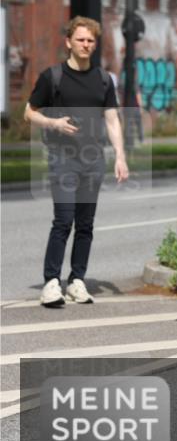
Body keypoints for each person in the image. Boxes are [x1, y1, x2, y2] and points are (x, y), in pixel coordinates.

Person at [24, 16, 129, 307]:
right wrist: (53, 123)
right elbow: (29, 113)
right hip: (63, 159)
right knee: (63, 220)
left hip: (93, 161)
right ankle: (51, 282)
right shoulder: (52, 77)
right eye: (80, 39)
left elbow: (112, 119)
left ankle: (77, 280)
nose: (86, 44)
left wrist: (120, 156)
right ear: (68, 42)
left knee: (86, 224)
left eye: (90, 40)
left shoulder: (103, 80)